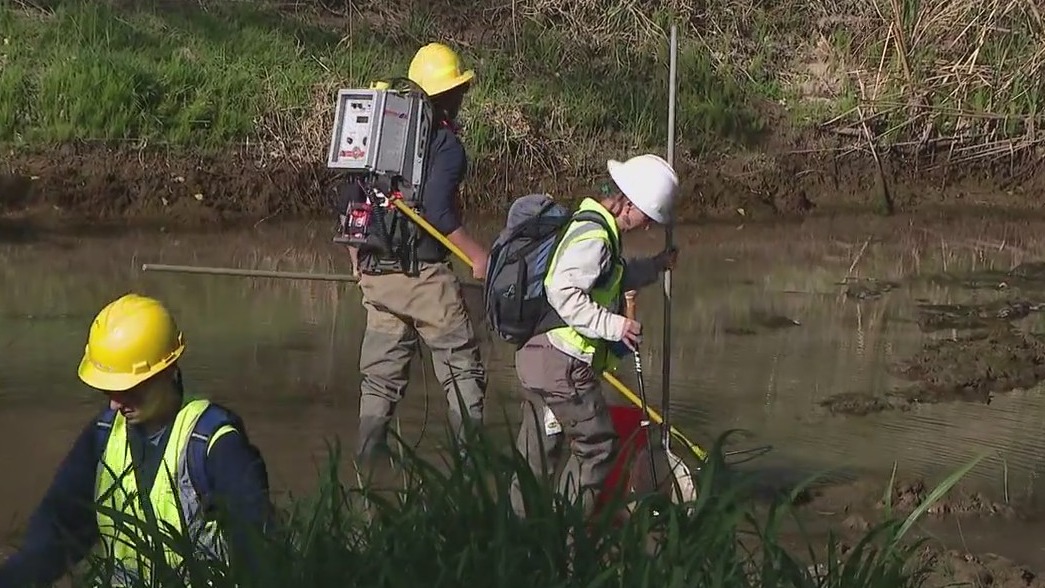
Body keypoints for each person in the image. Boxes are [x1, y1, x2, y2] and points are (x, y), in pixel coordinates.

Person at [0, 293, 272, 587]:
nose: (116, 403)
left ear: (168, 371)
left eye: (129, 389)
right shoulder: (103, 435)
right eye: (108, 390)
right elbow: (57, 530)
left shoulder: (215, 444)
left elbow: (258, 550)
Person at [508, 154, 679, 518]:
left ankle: (519, 538)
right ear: (627, 204)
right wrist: (615, 326)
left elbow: (609, 279)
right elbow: (563, 292)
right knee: (598, 449)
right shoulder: (596, 237)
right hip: (562, 363)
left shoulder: (592, 225)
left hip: (539, 357)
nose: (647, 225)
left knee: (540, 450)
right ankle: (569, 536)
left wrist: (656, 266)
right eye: (647, 216)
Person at [347, 42, 489, 463]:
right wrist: (478, 257)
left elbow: (350, 196)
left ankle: (365, 474)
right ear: (448, 95)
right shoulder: (445, 144)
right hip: (424, 279)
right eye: (459, 90)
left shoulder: (376, 136)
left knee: (379, 381)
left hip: (376, 273)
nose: (463, 97)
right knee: (463, 369)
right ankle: (471, 473)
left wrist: (357, 258)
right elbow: (438, 211)